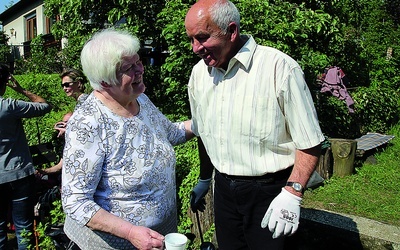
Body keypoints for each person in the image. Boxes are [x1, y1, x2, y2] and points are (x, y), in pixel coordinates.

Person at [185, 0, 325, 249]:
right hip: (224, 191)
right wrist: (206, 179)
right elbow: (203, 133)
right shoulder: (199, 75)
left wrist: (292, 193)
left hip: (271, 193)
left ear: (231, 30)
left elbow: (310, 142)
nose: (195, 48)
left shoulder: (279, 68)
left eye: (202, 38)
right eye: (191, 40)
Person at [61, 28, 194, 250]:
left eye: (138, 61)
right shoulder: (89, 122)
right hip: (116, 243)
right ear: (104, 81)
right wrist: (130, 232)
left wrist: (206, 121)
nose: (140, 69)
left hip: (159, 235)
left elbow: (172, 133)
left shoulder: (140, 99)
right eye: (128, 68)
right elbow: (76, 201)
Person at [0, 64, 52, 249]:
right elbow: (45, 106)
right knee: (23, 227)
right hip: (19, 174)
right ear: (5, 82)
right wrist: (20, 89)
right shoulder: (9, 106)